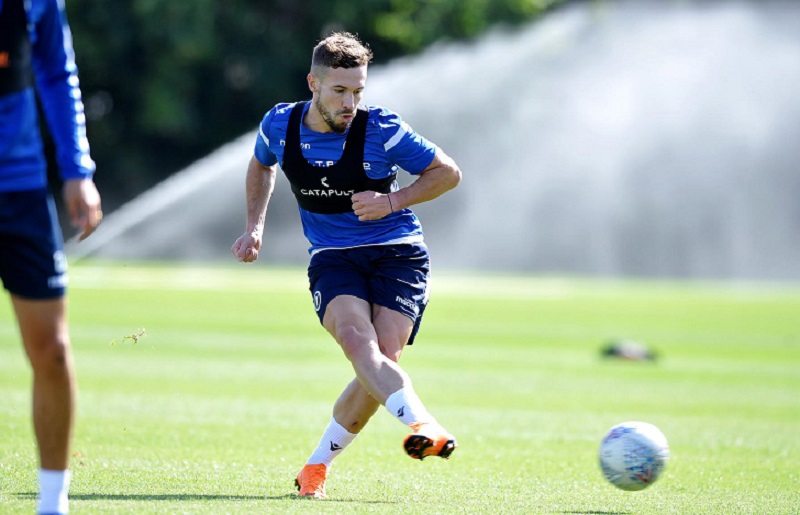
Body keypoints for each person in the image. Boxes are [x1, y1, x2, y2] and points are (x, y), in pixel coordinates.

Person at [232, 32, 462, 499]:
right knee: (359, 343)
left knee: (383, 359)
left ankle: (316, 467)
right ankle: (424, 425)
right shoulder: (279, 124)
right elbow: (261, 165)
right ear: (313, 83)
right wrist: (254, 227)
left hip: (398, 251)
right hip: (333, 257)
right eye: (339, 91)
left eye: (358, 91)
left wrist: (392, 200)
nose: (350, 103)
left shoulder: (382, 128)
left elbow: (447, 173)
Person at [0, 0, 102, 513]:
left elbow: (57, 73)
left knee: (53, 351)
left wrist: (77, 170)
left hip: (19, 187)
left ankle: (51, 504)